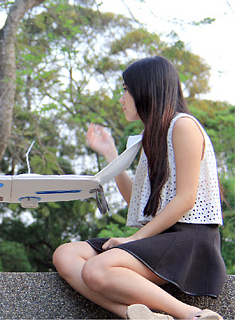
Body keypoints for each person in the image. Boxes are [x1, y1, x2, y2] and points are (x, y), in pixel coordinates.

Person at [52, 56, 226, 320]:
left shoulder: (183, 126)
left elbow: (186, 199)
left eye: (125, 89)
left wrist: (133, 240)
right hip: (162, 237)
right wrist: (111, 153)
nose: (121, 98)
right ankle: (140, 315)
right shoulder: (151, 136)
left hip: (191, 240)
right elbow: (140, 202)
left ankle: (193, 315)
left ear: (146, 89)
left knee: (96, 269)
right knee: (66, 254)